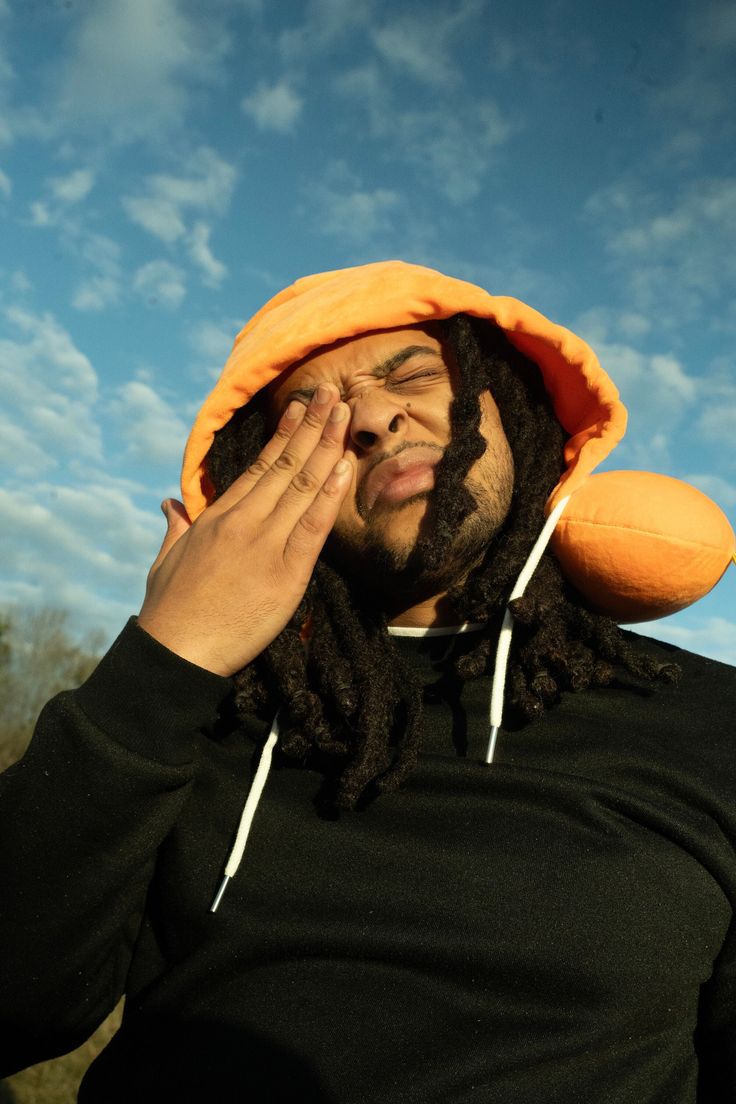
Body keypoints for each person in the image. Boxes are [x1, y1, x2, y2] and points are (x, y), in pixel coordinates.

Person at [1, 260, 735, 1103]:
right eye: (309, 417)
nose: (373, 419)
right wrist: (168, 658)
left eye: (414, 373)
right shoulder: (193, 717)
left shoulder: (714, 725)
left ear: (511, 401)